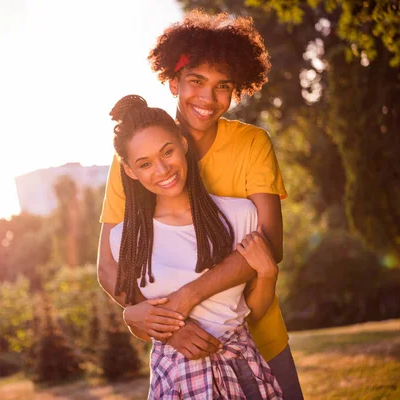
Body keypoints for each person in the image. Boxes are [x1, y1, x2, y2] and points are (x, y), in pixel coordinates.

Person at [97, 10, 303, 399]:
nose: (208, 98)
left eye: (223, 86)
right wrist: (170, 327)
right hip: (184, 355)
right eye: (196, 81)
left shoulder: (251, 144)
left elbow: (269, 245)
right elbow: (109, 266)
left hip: (260, 339)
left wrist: (188, 296)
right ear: (174, 82)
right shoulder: (134, 159)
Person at [108, 94, 283, 399]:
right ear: (130, 171)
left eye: (167, 152)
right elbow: (143, 325)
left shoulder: (241, 215)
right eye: (145, 163)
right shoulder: (124, 238)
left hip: (240, 368)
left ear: (183, 144)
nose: (162, 169)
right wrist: (133, 316)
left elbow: (254, 311)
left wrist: (267, 274)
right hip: (174, 377)